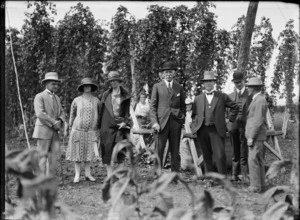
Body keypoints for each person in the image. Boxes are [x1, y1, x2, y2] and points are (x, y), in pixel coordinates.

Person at [190, 71, 239, 180]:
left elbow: (235, 107)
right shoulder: (198, 98)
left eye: (210, 81)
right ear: (203, 83)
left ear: (214, 82)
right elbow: (193, 115)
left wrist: (229, 120)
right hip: (202, 130)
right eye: (206, 81)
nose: (208, 83)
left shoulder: (222, 96)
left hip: (217, 130)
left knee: (220, 155)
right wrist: (196, 126)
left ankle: (222, 180)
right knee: (206, 156)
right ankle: (209, 180)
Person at [150, 61, 186, 176]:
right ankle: (157, 175)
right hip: (161, 123)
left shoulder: (179, 87)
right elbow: (153, 107)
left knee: (175, 150)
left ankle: (175, 175)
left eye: (170, 72)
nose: (168, 74)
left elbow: (183, 106)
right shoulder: (157, 87)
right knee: (159, 149)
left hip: (175, 123)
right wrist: (155, 122)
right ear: (162, 74)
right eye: (166, 72)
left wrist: (181, 119)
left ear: (174, 73)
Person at [66, 77, 101, 183]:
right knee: (77, 153)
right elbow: (72, 114)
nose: (87, 87)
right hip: (78, 130)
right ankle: (77, 175)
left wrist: (98, 127)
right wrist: (70, 127)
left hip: (91, 131)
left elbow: (99, 115)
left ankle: (87, 174)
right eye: (85, 86)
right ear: (82, 88)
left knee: (89, 152)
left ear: (91, 87)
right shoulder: (76, 100)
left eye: (89, 85)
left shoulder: (96, 100)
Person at [32, 72, 66, 175]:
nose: (56, 86)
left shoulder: (57, 98)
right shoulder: (39, 96)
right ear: (46, 84)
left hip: (55, 132)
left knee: (53, 157)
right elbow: (40, 114)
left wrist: (60, 121)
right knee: (42, 157)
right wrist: (54, 122)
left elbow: (62, 112)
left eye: (57, 84)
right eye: (53, 84)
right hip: (43, 131)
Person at [99, 71, 131, 176]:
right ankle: (109, 174)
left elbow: (127, 112)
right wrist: (99, 126)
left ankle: (119, 173)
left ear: (119, 81)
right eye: (111, 81)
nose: (113, 83)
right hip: (107, 125)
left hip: (120, 126)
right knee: (107, 150)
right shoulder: (106, 94)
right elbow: (101, 111)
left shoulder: (125, 95)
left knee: (121, 150)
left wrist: (125, 122)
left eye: (115, 80)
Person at [227, 71, 252, 182]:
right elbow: (226, 112)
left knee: (244, 150)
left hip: (246, 127)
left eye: (240, 82)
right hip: (234, 127)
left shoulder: (250, 95)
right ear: (234, 83)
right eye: (236, 82)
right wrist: (228, 124)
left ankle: (245, 175)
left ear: (244, 81)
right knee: (234, 150)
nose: (238, 84)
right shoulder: (230, 96)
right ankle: (234, 174)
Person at [245, 77, 268, 193]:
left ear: (253, 88)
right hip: (258, 135)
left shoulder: (259, 100)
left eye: (249, 87)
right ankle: (261, 185)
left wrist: (251, 137)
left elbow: (258, 120)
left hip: (256, 136)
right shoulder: (259, 99)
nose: (248, 89)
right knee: (259, 161)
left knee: (253, 160)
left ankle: (255, 186)